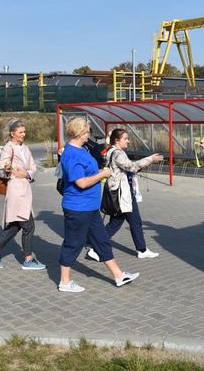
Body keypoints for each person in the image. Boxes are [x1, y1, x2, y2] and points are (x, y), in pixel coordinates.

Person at [58, 117, 139, 292]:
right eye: (87, 131)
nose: (89, 135)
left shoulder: (79, 149)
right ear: (80, 133)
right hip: (78, 208)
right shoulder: (72, 154)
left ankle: (119, 275)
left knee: (101, 241)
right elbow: (81, 182)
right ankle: (64, 282)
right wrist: (102, 174)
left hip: (90, 207)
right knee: (73, 243)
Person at [86, 128, 163, 261]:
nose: (128, 141)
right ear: (117, 140)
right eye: (125, 138)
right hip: (122, 194)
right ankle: (96, 248)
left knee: (132, 222)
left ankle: (141, 249)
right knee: (117, 223)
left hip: (124, 193)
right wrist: (151, 159)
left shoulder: (113, 152)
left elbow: (129, 169)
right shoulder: (117, 153)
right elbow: (131, 167)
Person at [0, 120, 45, 270]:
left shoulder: (24, 148)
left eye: (24, 132)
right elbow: (0, 169)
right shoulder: (8, 148)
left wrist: (26, 173)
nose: (24, 135)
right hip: (16, 191)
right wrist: (6, 169)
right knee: (28, 226)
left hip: (24, 189)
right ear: (12, 133)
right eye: (20, 132)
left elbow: (33, 167)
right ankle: (28, 260)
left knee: (15, 226)